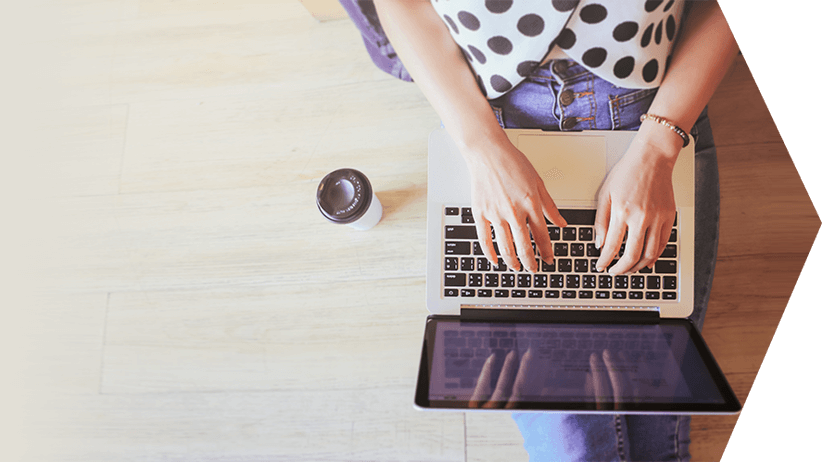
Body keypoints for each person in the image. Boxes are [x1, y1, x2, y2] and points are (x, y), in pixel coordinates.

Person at [340, 1, 738, 460]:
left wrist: (657, 150)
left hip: (657, 110)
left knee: (642, 417)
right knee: (575, 441)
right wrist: (483, 148)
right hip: (494, 120)